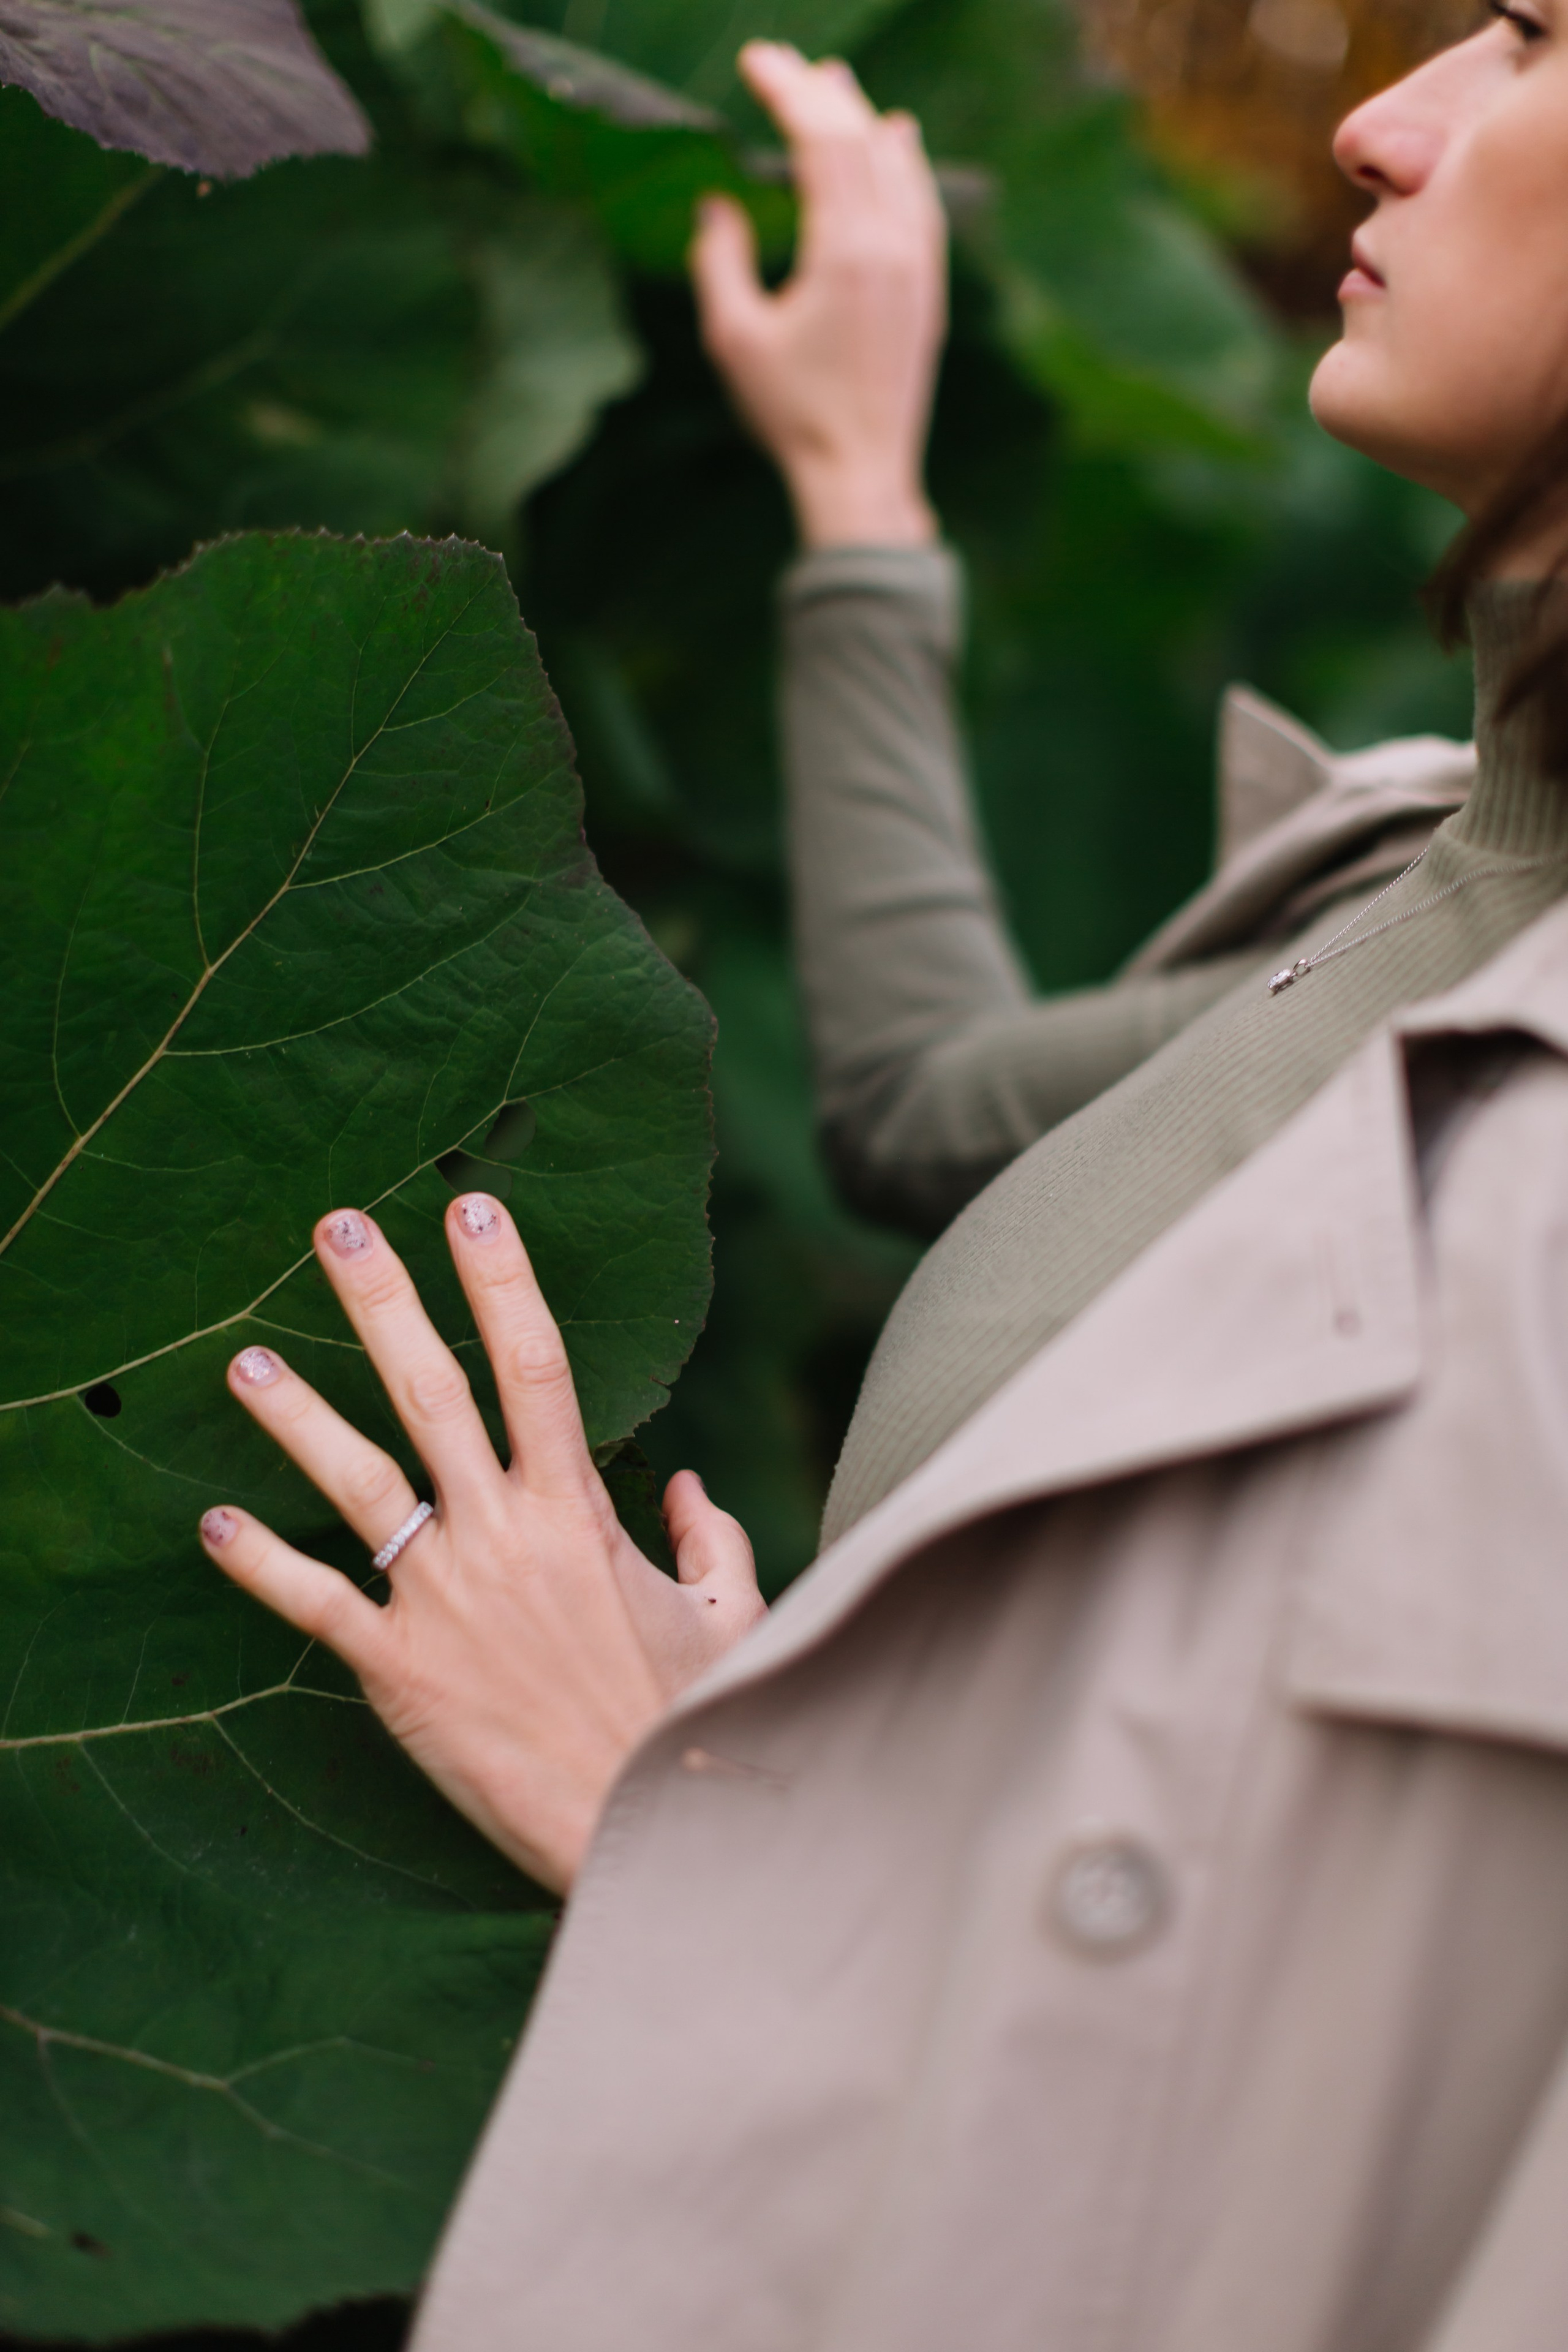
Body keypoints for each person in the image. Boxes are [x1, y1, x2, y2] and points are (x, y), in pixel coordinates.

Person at [199, 7, 1568, 2346]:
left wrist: (698, 1821)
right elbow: (935, 1103)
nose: (1380, 111)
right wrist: (856, 488)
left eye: (1537, 39)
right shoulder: (1435, 871)